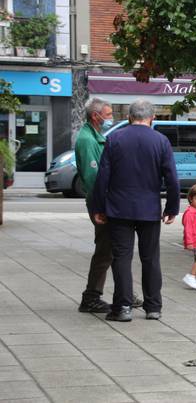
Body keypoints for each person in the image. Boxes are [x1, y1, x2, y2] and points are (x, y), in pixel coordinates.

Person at [92, 99, 180, 322]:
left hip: (119, 209)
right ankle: (153, 307)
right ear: (152, 118)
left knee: (121, 257)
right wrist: (171, 207)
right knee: (150, 257)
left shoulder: (114, 139)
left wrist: (99, 207)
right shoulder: (161, 141)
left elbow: (103, 177)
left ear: (130, 117)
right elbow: (171, 177)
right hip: (149, 209)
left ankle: (122, 307)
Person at [75, 97, 143, 313]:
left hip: (104, 202)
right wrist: (101, 208)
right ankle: (91, 297)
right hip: (101, 203)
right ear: (96, 116)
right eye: (108, 114)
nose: (111, 118)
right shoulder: (87, 140)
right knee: (107, 249)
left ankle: (123, 293)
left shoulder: (95, 137)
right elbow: (93, 178)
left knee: (113, 249)